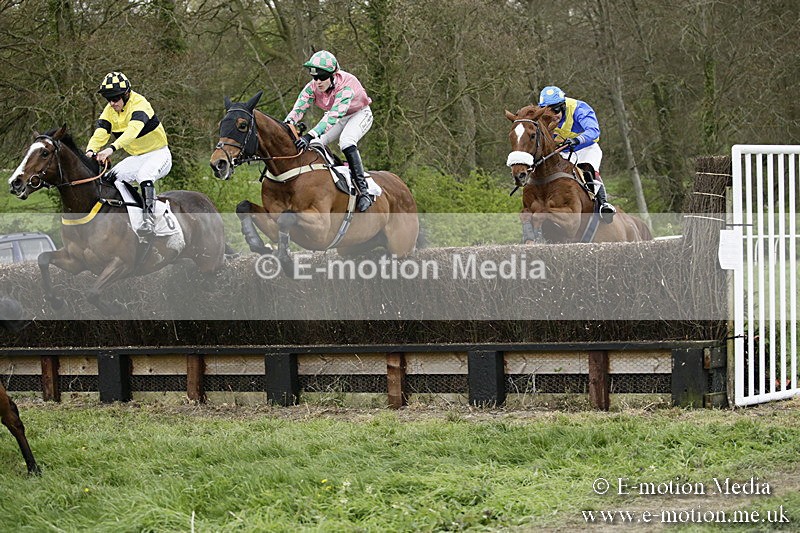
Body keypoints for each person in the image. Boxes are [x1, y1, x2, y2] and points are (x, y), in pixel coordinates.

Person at [285, 51, 375, 212]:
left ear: (333, 75)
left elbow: (333, 116)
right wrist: (287, 125)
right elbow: (298, 109)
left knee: (346, 141)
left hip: (359, 114)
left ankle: (364, 192)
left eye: (322, 77)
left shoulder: (346, 85)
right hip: (338, 116)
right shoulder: (312, 87)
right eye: (314, 77)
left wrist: (309, 135)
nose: (318, 82)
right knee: (314, 144)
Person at [85, 72, 171, 237]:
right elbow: (100, 133)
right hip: (138, 157)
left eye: (115, 98)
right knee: (110, 178)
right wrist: (90, 151)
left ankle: (149, 219)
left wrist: (111, 148)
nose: (112, 103)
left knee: (144, 175)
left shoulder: (140, 104)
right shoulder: (109, 110)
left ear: (126, 94)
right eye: (108, 99)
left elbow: (132, 132)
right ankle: (129, 214)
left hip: (159, 154)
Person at [538, 85, 616, 223]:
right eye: (547, 112)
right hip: (562, 152)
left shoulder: (579, 108)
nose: (552, 115)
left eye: (556, 110)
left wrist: (577, 140)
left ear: (563, 106)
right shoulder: (541, 118)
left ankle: (603, 204)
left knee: (588, 169)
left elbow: (593, 131)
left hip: (585, 149)